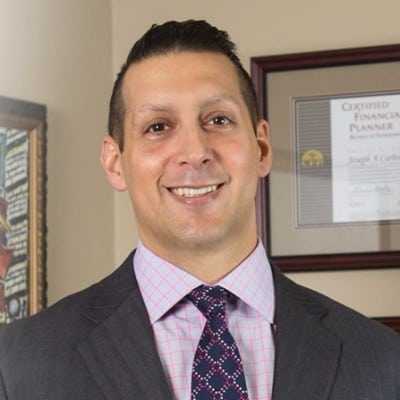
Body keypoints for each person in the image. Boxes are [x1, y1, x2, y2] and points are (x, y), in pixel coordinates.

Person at [0, 19, 399, 400]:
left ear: (261, 148)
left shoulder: (383, 361)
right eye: (158, 126)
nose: (195, 152)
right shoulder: (18, 365)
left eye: (218, 120)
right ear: (114, 162)